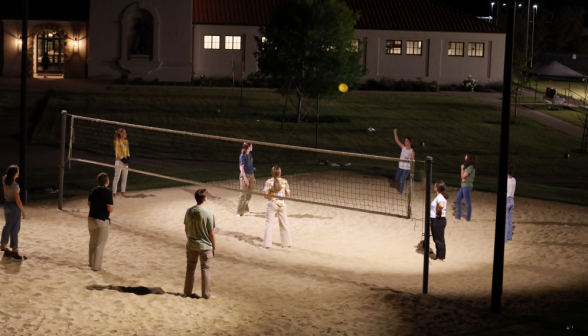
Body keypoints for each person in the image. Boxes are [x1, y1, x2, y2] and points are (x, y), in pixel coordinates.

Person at [184, 189, 216, 300]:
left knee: (190, 268)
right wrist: (214, 247)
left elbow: (186, 229)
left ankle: (187, 292)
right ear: (205, 198)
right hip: (205, 246)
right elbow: (211, 233)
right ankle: (206, 294)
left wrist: (190, 239)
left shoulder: (189, 211)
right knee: (205, 270)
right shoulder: (209, 213)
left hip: (191, 244)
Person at [260, 166, 292, 249]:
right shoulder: (284, 181)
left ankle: (266, 245)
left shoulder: (269, 181)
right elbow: (288, 194)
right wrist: (280, 196)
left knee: (269, 224)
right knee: (284, 224)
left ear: (272, 173)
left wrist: (273, 197)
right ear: (280, 173)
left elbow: (265, 195)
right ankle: (288, 243)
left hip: (272, 204)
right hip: (282, 205)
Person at [88, 172, 114, 272]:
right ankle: (97, 267)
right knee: (100, 244)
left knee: (92, 242)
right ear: (107, 182)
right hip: (101, 220)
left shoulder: (93, 190)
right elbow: (110, 209)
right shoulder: (107, 192)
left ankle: (91, 263)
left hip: (91, 219)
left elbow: (89, 203)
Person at [1, 165, 27, 260]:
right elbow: (17, 200)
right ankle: (14, 248)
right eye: (18, 171)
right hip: (13, 206)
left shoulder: (5, 182)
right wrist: (23, 211)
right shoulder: (15, 185)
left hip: (6, 204)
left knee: (7, 225)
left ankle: (3, 244)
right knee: (15, 228)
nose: (19, 172)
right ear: (14, 173)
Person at [455, 152, 477, 221]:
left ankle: (468, 218)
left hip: (467, 186)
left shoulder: (471, 167)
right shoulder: (468, 167)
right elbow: (463, 176)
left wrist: (462, 168)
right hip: (463, 185)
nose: (465, 158)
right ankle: (458, 216)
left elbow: (463, 176)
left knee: (468, 202)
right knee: (458, 200)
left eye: (466, 157)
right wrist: (463, 175)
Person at [392, 129, 415, 194]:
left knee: (403, 179)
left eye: (406, 141)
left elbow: (413, 161)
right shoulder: (403, 147)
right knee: (397, 178)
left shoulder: (412, 152)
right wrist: (395, 132)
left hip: (406, 169)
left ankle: (400, 191)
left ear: (409, 142)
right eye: (405, 141)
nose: (405, 142)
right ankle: (400, 186)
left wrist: (409, 161)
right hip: (400, 167)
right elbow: (397, 140)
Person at [431, 181, 448, 262]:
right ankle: (438, 256)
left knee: (439, 239)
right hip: (436, 220)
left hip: (438, 220)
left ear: (436, 188)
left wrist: (438, 211)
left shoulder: (440, 197)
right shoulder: (439, 196)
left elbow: (441, 205)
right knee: (436, 239)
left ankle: (441, 258)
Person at [237, 142, 255, 217]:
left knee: (248, 194)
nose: (252, 147)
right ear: (248, 147)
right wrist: (245, 179)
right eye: (251, 146)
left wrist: (253, 177)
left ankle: (245, 209)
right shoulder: (242, 156)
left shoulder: (250, 154)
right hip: (245, 175)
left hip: (251, 175)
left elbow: (251, 166)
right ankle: (239, 212)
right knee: (242, 194)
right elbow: (241, 168)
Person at [113, 128, 130, 198]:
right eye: (125, 133)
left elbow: (128, 151)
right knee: (117, 178)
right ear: (121, 134)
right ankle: (114, 193)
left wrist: (128, 160)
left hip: (125, 162)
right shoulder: (117, 141)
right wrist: (124, 160)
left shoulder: (126, 141)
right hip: (119, 162)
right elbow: (118, 153)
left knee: (124, 178)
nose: (126, 134)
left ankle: (123, 192)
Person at [505, 164, 516, 243]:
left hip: (506, 200)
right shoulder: (514, 180)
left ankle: (505, 239)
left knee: (505, 221)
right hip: (512, 200)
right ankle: (509, 237)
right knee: (510, 220)